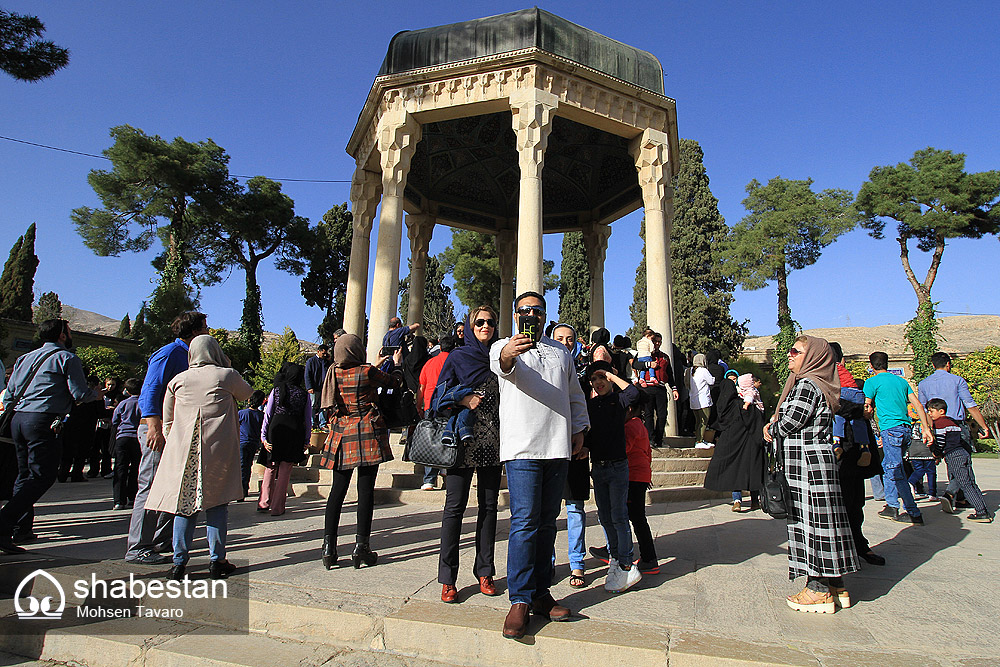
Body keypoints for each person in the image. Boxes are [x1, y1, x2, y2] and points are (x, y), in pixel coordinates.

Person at [490, 291, 589, 639]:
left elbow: (574, 393)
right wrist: (509, 352)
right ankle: (519, 599)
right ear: (516, 314)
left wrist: (579, 428)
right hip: (522, 448)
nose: (531, 314)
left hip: (557, 445)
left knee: (548, 523)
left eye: (538, 310)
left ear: (546, 315)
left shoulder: (561, 351)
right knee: (524, 522)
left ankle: (541, 594)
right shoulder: (503, 345)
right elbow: (502, 364)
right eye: (525, 310)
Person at [145, 334, 253, 580]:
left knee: (184, 508)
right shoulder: (226, 376)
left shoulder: (178, 380)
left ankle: (179, 563)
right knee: (217, 505)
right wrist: (226, 364)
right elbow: (247, 393)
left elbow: (168, 420)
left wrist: (177, 444)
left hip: (184, 452)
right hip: (217, 451)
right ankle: (217, 560)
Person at [764, 335, 858, 614]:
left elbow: (792, 421)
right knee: (824, 523)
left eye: (797, 351)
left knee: (810, 525)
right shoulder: (821, 383)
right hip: (817, 464)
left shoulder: (807, 384)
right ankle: (836, 585)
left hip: (805, 468)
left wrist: (771, 427)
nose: (790, 355)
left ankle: (817, 590)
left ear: (814, 357)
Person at [0, 319, 102, 554]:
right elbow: (78, 393)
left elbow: (10, 393)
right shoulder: (67, 358)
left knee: (24, 474)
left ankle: (20, 528)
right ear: (62, 336)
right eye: (68, 331)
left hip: (18, 418)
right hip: (43, 420)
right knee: (43, 476)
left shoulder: (24, 358)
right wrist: (94, 395)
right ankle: (5, 521)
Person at [125, 311, 210, 565]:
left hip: (178, 432)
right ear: (194, 331)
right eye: (205, 327)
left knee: (174, 488)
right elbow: (150, 390)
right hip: (159, 430)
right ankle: (138, 547)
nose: (208, 331)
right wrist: (153, 426)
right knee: (150, 487)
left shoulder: (193, 357)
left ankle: (162, 540)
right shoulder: (169, 354)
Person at [434, 308, 503, 603]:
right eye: (479, 322)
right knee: (454, 509)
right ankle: (448, 579)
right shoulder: (458, 357)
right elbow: (436, 396)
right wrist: (462, 398)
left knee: (489, 509)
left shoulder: (503, 356)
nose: (485, 326)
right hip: (463, 441)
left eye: (490, 322)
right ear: (469, 326)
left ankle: (485, 571)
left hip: (494, 442)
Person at [318, 334, 402, 569]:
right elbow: (393, 382)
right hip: (366, 432)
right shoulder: (366, 372)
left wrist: (375, 363)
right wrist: (395, 364)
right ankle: (361, 547)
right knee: (365, 492)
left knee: (337, 491)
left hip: (341, 434)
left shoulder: (333, 373)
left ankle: (328, 548)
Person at [585, 361, 642, 593]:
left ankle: (627, 561)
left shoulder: (619, 401)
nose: (599, 383)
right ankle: (616, 558)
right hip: (598, 467)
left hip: (618, 466)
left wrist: (610, 374)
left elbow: (634, 392)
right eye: (594, 380)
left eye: (602, 378)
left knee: (619, 515)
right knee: (605, 516)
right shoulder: (590, 405)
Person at [862, 351, 933, 525]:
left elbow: (867, 405)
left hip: (890, 429)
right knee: (892, 467)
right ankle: (895, 506)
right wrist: (926, 428)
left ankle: (908, 510)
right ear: (887, 364)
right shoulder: (901, 381)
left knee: (893, 469)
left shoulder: (871, 382)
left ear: (871, 366)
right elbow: (917, 404)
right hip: (906, 429)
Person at [917, 351, 991, 509]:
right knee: (963, 461)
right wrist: (983, 426)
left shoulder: (924, 383)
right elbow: (970, 405)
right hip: (956, 425)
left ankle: (959, 497)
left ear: (932, 365)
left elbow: (924, 409)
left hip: (937, 426)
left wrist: (928, 428)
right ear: (948, 364)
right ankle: (951, 493)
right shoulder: (957, 380)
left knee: (951, 460)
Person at [550, 323, 590, 589]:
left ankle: (577, 563)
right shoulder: (544, 369)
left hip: (577, 450)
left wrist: (586, 441)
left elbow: (590, 410)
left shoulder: (586, 374)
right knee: (549, 511)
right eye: (560, 338)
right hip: (550, 449)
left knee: (575, 508)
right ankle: (548, 561)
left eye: (570, 339)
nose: (565, 342)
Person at [704, 373, 765, 512]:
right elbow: (757, 421)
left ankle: (737, 500)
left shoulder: (728, 407)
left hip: (734, 445)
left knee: (735, 470)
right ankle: (755, 500)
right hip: (751, 444)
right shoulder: (746, 404)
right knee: (752, 471)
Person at [926, 398, 992, 522]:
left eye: (931, 411)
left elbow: (940, 442)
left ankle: (981, 512)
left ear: (941, 411)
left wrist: (936, 453)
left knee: (965, 484)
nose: (929, 414)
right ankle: (982, 509)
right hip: (963, 453)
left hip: (953, 455)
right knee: (971, 482)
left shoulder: (940, 423)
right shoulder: (953, 422)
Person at [258, 363, 311, 517]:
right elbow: (307, 418)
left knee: (270, 466)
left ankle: (263, 502)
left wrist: (263, 436)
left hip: (275, 430)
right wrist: (306, 439)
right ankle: (277, 507)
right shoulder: (304, 394)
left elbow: (268, 414)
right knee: (285, 470)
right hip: (294, 432)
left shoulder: (276, 391)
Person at [417, 335, 458, 490]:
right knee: (449, 440)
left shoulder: (430, 362)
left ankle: (429, 479)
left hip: (430, 405)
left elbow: (421, 386)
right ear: (454, 347)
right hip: (449, 406)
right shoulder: (455, 361)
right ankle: (447, 472)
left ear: (440, 347)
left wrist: (418, 406)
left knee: (431, 441)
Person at [624, 393, 658, 573]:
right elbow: (647, 453)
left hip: (633, 476)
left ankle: (649, 558)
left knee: (635, 518)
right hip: (641, 475)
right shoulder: (641, 426)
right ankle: (647, 557)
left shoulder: (630, 426)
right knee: (637, 518)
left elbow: (624, 448)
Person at [638, 332, 678, 448]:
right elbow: (636, 365)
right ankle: (649, 439)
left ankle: (659, 439)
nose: (657, 344)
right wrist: (648, 364)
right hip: (647, 388)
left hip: (660, 388)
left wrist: (674, 388)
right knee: (648, 414)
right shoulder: (643, 354)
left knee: (662, 415)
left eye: (659, 342)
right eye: (655, 341)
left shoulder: (665, 357)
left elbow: (669, 374)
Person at [110, 378, 143, 510]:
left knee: (120, 468)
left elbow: (114, 420)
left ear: (127, 391)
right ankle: (132, 496)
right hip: (137, 438)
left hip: (123, 437)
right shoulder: (143, 403)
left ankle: (118, 500)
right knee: (136, 468)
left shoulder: (123, 404)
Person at [238, 390, 266, 499]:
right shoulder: (261, 415)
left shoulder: (242, 413)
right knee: (248, 465)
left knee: (241, 465)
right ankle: (244, 487)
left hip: (242, 442)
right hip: (254, 443)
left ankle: (241, 489)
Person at [687, 353, 715, 448]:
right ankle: (699, 441)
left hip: (693, 400)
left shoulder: (689, 371)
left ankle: (699, 439)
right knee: (704, 421)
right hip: (703, 400)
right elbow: (711, 381)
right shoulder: (703, 370)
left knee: (698, 421)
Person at [304, 345, 330, 429]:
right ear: (318, 352)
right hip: (314, 388)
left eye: (326, 353)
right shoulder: (311, 361)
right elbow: (307, 374)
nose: (325, 355)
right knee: (312, 405)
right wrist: (309, 387)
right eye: (323, 353)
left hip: (324, 388)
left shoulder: (326, 362)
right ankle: (311, 423)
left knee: (323, 406)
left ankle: (322, 423)